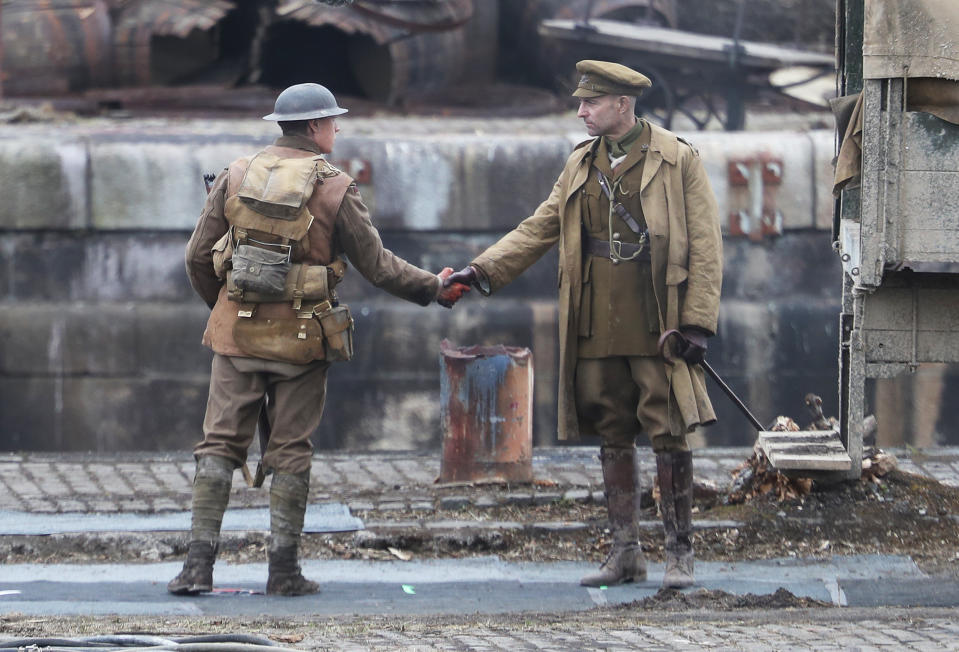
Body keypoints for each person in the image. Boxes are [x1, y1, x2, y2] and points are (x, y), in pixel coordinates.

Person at [172, 82, 469, 596]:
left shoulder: (235, 175)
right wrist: (435, 288)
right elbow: (378, 268)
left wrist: (225, 313)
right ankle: (283, 572)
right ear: (313, 127)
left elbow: (198, 258)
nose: (337, 127)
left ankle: (197, 569)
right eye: (332, 120)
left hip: (236, 337)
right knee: (290, 450)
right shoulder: (335, 188)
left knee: (218, 446)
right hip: (302, 340)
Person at [445, 60, 723, 589]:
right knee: (612, 431)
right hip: (595, 316)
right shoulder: (580, 164)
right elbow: (539, 228)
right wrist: (480, 271)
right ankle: (626, 554)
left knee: (668, 431)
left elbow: (707, 245)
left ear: (623, 104)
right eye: (581, 102)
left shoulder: (677, 158)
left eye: (590, 103)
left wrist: (697, 323)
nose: (581, 111)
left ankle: (679, 556)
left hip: (656, 317)